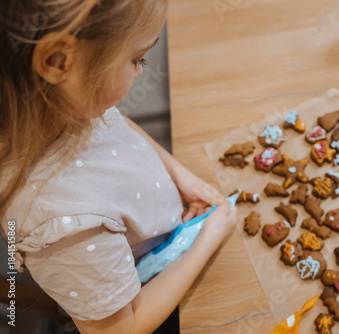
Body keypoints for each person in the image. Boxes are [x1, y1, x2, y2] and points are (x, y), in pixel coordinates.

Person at [0, 1, 238, 333]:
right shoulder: (62, 226)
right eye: (136, 58)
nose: (142, 71)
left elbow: (117, 126)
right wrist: (208, 240)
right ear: (57, 61)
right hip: (151, 291)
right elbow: (121, 328)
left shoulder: (67, 105)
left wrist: (180, 176)